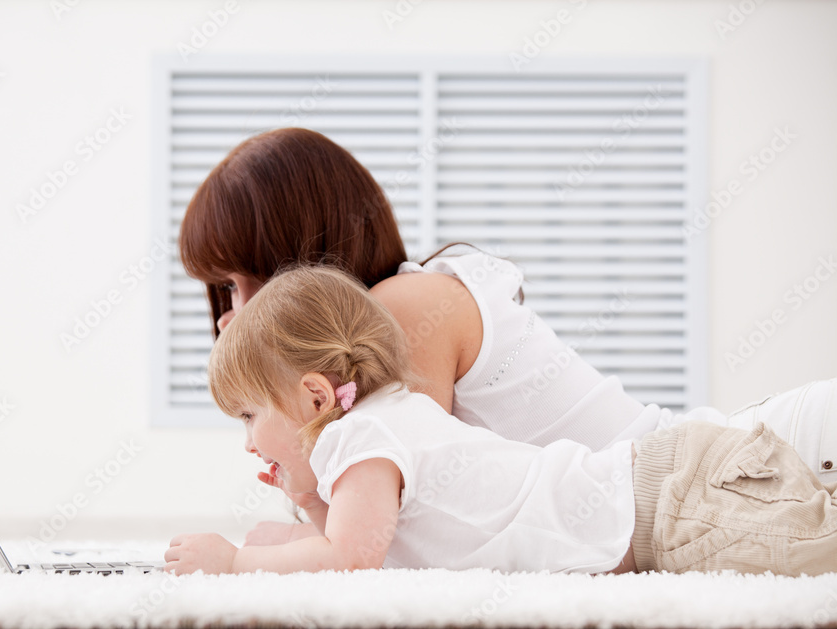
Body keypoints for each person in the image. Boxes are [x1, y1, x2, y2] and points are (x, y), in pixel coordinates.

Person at [178, 127, 837, 544]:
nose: (228, 321)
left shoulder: (401, 311)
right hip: (714, 477)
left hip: (744, 469)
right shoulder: (393, 316)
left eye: (237, 286)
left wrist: (256, 550)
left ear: (297, 262)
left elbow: (387, 535)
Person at [163, 265, 837, 576]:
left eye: (249, 415)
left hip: (671, 508)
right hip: (665, 489)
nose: (248, 439)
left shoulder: (358, 434)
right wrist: (306, 497)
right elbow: (373, 538)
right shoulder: (380, 423)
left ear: (315, 396)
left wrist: (237, 562)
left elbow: (349, 556)